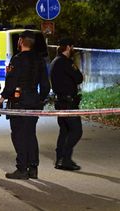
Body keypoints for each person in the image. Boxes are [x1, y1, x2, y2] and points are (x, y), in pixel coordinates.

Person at [0, 30, 50, 180]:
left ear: (20, 41)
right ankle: (33, 168)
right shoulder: (39, 60)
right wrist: (40, 99)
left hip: (19, 101)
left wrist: (2, 99)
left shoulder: (17, 59)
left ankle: (22, 169)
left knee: (19, 135)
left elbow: (11, 83)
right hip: (33, 100)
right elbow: (46, 85)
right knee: (31, 134)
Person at [50, 38, 83, 171]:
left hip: (61, 102)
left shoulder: (55, 61)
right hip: (69, 103)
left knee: (64, 131)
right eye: (72, 47)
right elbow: (79, 78)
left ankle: (60, 159)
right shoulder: (65, 62)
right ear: (68, 47)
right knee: (76, 131)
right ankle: (65, 159)